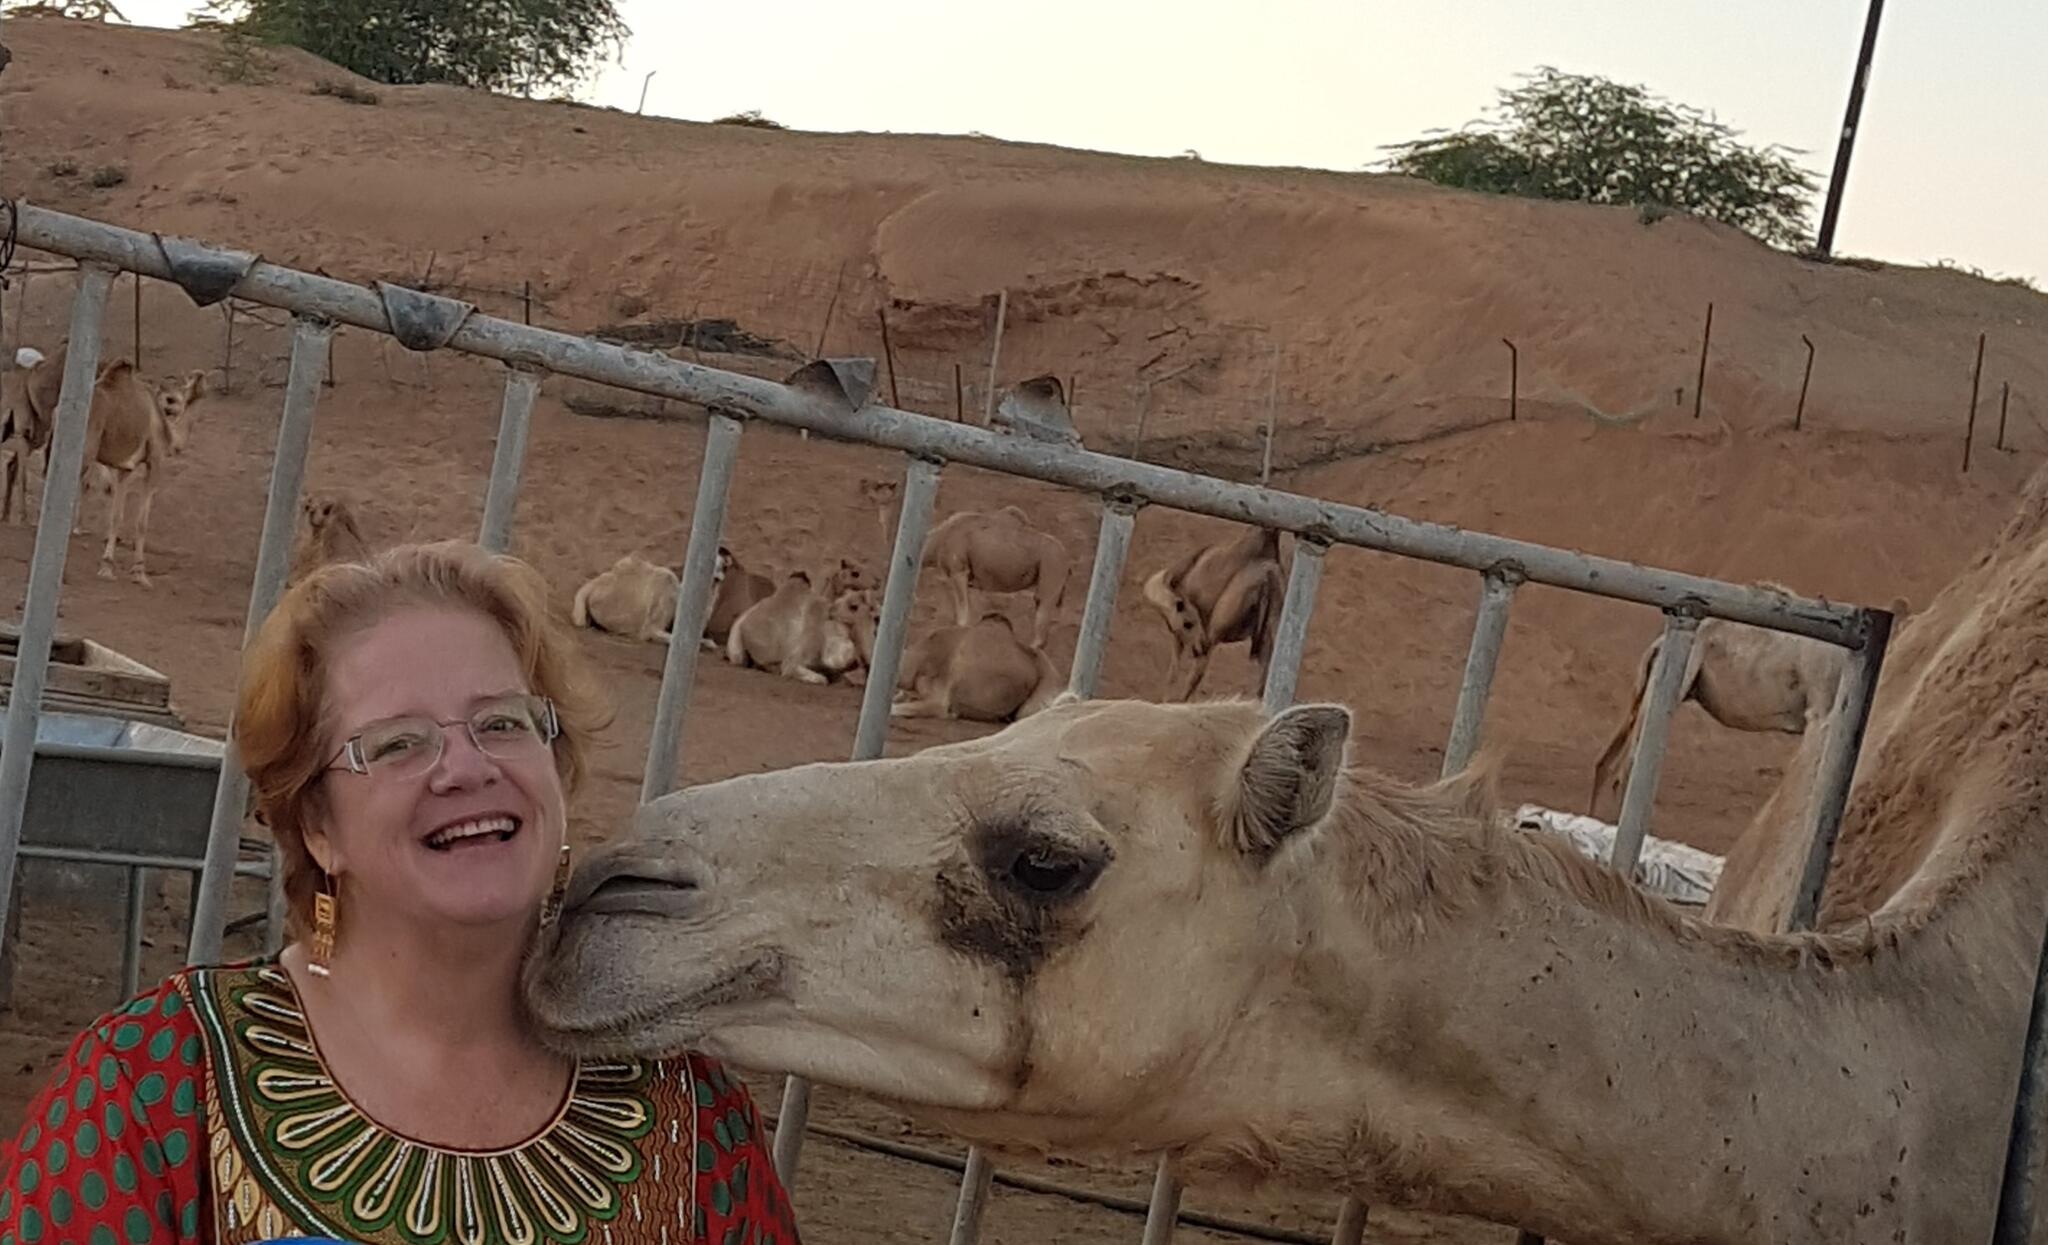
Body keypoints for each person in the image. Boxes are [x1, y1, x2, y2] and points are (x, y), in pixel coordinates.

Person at [0, 540, 801, 1244]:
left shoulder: (695, 1123)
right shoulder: (155, 1089)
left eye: (502, 723)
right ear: (318, 823)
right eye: (397, 743)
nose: (466, 767)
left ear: (555, 769)